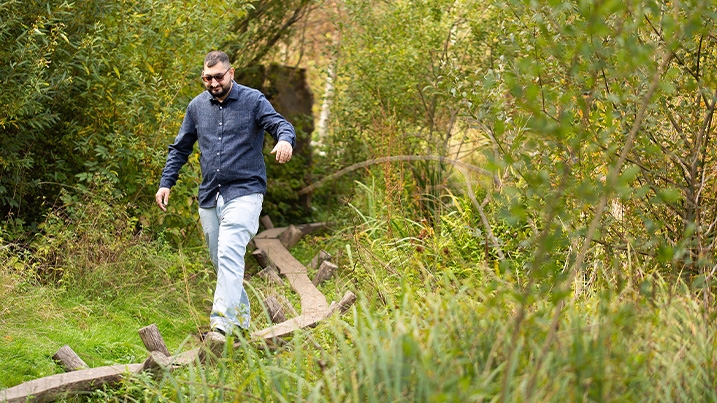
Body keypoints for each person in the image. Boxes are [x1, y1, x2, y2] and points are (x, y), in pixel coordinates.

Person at [155, 50, 295, 336]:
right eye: (207, 78)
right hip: (210, 196)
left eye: (218, 76)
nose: (213, 83)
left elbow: (281, 124)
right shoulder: (196, 107)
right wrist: (166, 182)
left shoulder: (253, 100)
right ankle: (240, 322)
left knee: (230, 251)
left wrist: (284, 141)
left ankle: (220, 326)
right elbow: (180, 148)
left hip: (245, 191)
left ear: (231, 73)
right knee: (221, 260)